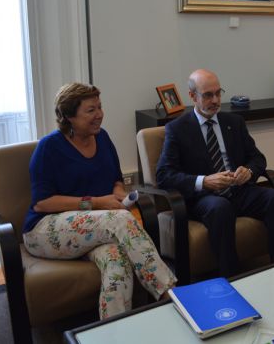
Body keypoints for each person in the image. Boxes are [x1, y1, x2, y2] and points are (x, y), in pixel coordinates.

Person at [22, 83, 176, 320]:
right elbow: (42, 203)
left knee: (117, 261)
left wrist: (118, 192)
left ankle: (114, 329)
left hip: (92, 230)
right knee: (120, 220)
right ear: (69, 116)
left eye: (100, 107)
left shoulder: (102, 138)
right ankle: (170, 293)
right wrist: (95, 203)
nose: (99, 114)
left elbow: (116, 179)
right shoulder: (48, 147)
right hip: (45, 230)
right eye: (90, 110)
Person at [156, 69, 274, 277]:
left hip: (238, 190)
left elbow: (257, 158)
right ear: (192, 96)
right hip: (204, 198)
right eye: (208, 95)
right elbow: (164, 175)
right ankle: (232, 277)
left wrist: (249, 171)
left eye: (218, 93)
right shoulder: (177, 129)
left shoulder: (234, 122)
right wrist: (204, 181)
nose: (215, 100)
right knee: (220, 207)